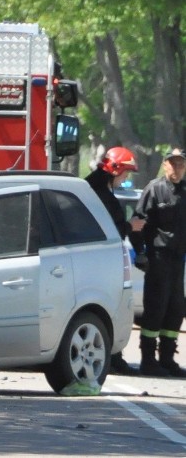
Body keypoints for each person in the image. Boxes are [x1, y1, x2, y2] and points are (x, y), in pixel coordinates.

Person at [85, 146, 144, 375]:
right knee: (111, 307)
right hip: (99, 263)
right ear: (115, 170)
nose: (126, 178)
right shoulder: (100, 194)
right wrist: (132, 226)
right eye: (126, 173)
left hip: (96, 261)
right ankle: (113, 356)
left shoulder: (91, 188)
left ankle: (111, 355)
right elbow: (112, 229)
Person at [132, 147, 186, 377]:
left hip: (178, 261)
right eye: (172, 163)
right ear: (165, 165)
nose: (176, 168)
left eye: (180, 164)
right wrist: (140, 252)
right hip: (158, 258)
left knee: (175, 310)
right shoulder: (154, 189)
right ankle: (147, 360)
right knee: (155, 309)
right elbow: (137, 223)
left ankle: (167, 359)